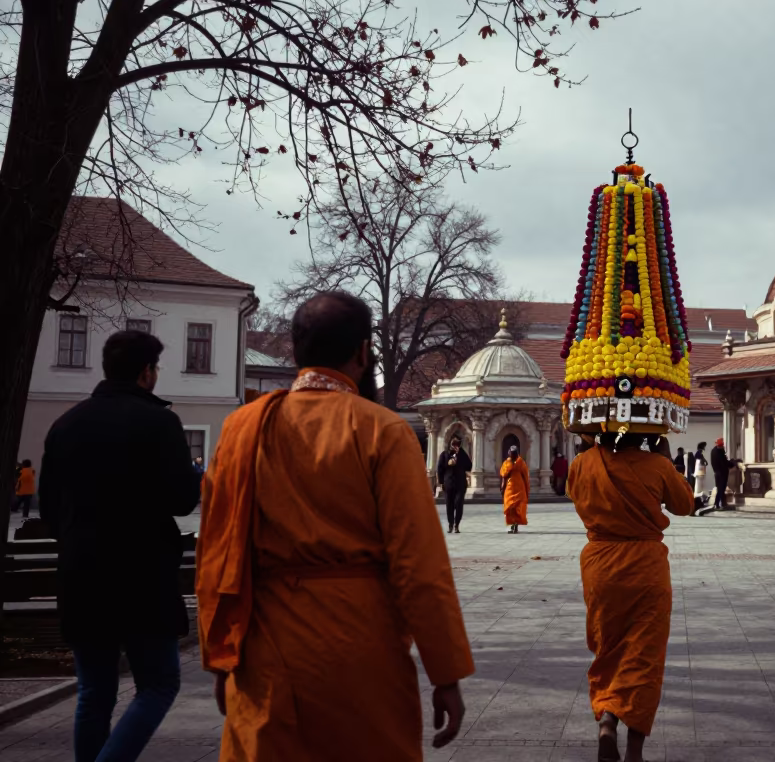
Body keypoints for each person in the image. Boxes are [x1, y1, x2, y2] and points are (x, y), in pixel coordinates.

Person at [196, 291, 473, 760]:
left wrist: (221, 660)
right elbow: (419, 568)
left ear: (297, 349)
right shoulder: (383, 431)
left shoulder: (242, 429)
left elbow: (217, 552)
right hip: (360, 646)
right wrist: (445, 673)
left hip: (265, 647)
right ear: (364, 353)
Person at [39, 329, 202, 762]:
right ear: (147, 372)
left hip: (81, 575)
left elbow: (51, 509)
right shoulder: (159, 422)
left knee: (93, 693)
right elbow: (182, 498)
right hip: (143, 578)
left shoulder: (66, 424)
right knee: (159, 684)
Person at [566, 432, 696, 762]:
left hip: (601, 566)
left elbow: (575, 495)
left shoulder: (583, 464)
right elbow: (685, 505)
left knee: (608, 648)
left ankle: (608, 719)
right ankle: (634, 752)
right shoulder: (657, 465)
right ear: (647, 435)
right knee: (644, 655)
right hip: (645, 568)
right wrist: (666, 461)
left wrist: (590, 453)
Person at [437, 436, 471, 533]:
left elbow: (469, 466)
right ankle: (451, 524)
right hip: (448, 483)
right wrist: (441, 482)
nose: (455, 446)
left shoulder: (462, 454)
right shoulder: (444, 455)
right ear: (450, 444)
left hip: (460, 483)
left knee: (459, 503)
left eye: (457, 444)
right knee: (449, 505)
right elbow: (440, 469)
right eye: (454, 444)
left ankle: (457, 524)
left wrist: (460, 454)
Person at [501, 446, 530, 534]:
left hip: (519, 488)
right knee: (510, 507)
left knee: (517, 508)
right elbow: (504, 475)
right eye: (511, 453)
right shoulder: (507, 462)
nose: (512, 454)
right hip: (510, 488)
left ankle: (515, 526)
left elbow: (525, 476)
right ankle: (513, 525)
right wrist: (503, 485)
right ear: (509, 453)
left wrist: (526, 488)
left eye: (514, 453)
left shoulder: (521, 462)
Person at [709, 438, 739, 511]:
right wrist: (733, 463)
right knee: (721, 489)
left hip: (717, 473)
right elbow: (724, 463)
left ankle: (722, 503)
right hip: (721, 473)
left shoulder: (714, 451)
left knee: (721, 489)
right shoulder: (719, 452)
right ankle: (717, 504)